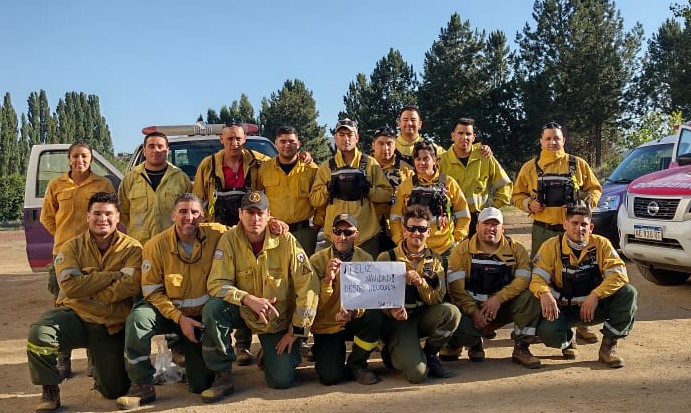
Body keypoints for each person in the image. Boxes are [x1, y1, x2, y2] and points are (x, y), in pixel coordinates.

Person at [28, 192, 142, 411]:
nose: (103, 219)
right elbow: (69, 287)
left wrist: (88, 284)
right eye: (97, 213)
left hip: (110, 323)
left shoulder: (133, 248)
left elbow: (130, 286)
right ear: (87, 217)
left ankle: (101, 369)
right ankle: (50, 389)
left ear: (118, 217)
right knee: (40, 333)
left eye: (108, 214)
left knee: (113, 391)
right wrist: (112, 275)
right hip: (75, 317)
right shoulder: (70, 247)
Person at [202, 191, 319, 398]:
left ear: (269, 215)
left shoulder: (286, 241)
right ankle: (222, 373)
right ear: (240, 213)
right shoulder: (229, 240)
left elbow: (307, 285)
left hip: (275, 319)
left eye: (260, 213)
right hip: (243, 310)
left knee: (280, 381)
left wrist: (297, 331)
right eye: (249, 212)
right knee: (214, 309)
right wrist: (246, 299)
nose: (255, 219)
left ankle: (274, 351)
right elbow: (216, 283)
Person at [115, 194, 227, 409]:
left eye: (195, 212)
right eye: (183, 211)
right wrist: (179, 318)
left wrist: (273, 222)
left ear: (202, 215)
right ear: (173, 215)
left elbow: (249, 226)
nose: (189, 217)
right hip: (168, 313)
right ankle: (141, 384)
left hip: (200, 318)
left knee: (199, 384)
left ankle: (212, 367)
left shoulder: (217, 234)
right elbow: (152, 291)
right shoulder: (155, 245)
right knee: (139, 318)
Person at [512, 121, 602, 343]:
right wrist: (529, 205)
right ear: (541, 141)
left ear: (564, 140)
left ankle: (581, 323)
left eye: (557, 138)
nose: (553, 142)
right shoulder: (530, 167)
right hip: (543, 230)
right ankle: (541, 321)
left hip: (572, 232)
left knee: (578, 275)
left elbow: (595, 189)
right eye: (548, 138)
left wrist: (583, 204)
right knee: (542, 276)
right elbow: (516, 195)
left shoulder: (577, 164)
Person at [192, 120, 270, 365]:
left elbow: (281, 170)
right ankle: (223, 343)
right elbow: (198, 200)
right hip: (217, 232)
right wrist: (202, 230)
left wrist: (305, 157)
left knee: (250, 279)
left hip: (250, 228)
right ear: (221, 140)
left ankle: (244, 346)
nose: (234, 143)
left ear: (245, 140)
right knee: (225, 281)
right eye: (229, 139)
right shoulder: (208, 165)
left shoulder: (259, 162)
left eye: (238, 139)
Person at [39, 141, 115, 379]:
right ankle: (64, 359)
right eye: (75, 156)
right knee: (64, 305)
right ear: (69, 159)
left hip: (94, 252)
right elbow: (47, 217)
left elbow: (108, 215)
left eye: (84, 156)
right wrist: (64, 239)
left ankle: (94, 358)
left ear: (91, 158)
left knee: (95, 303)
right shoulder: (56, 184)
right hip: (64, 253)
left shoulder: (102, 184)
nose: (79, 160)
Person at [530, 204, 637, 368]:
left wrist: (595, 295)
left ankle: (608, 348)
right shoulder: (550, 246)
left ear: (591, 227)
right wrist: (544, 293)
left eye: (584, 224)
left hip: (594, 307)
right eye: (574, 223)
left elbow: (619, 275)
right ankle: (567, 339)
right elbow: (537, 278)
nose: (579, 228)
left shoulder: (602, 244)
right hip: (563, 308)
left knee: (628, 292)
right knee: (548, 332)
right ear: (565, 225)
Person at [441, 207, 541, 368]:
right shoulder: (461, 250)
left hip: (502, 307)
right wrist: (473, 311)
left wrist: (498, 299)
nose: (491, 228)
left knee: (531, 296)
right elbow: (456, 289)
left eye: (495, 224)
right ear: (477, 226)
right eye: (486, 223)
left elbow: (523, 279)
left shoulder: (517, 249)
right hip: (472, 310)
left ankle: (522, 347)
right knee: (455, 319)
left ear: (503, 228)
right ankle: (467, 343)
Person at [377, 205, 461, 383]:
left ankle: (430, 354)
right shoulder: (386, 258)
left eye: (422, 229)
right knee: (417, 375)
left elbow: (437, 298)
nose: (417, 233)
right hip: (398, 322)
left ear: (429, 232)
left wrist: (421, 283)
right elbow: (377, 299)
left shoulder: (436, 259)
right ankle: (391, 351)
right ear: (404, 231)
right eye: (411, 228)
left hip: (423, 315)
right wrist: (391, 311)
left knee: (451, 312)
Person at [310, 213, 383, 385]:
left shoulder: (365, 259)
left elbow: (369, 297)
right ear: (331, 233)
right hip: (328, 323)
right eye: (337, 231)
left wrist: (354, 311)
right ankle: (323, 352)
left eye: (348, 232)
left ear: (356, 234)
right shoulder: (317, 260)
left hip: (354, 318)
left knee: (375, 317)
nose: (342, 237)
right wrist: (327, 280)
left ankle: (357, 363)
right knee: (330, 378)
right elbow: (314, 304)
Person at [310, 118, 393, 258]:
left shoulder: (370, 164)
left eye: (350, 135)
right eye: (341, 135)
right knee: (333, 277)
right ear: (335, 137)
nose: (345, 139)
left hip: (366, 237)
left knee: (367, 278)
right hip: (335, 237)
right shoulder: (326, 167)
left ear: (357, 137)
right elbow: (314, 200)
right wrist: (328, 189)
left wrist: (369, 190)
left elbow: (387, 194)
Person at [390, 140, 471, 270]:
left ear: (435, 160)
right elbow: (395, 218)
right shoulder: (405, 186)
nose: (422, 163)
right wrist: (401, 241)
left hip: (445, 249)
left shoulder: (449, 183)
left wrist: (457, 239)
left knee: (446, 286)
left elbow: (463, 214)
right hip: (414, 250)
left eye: (426, 159)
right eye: (418, 159)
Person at [439, 118, 512, 238]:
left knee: (481, 255)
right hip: (453, 220)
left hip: (480, 219)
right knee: (456, 255)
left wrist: (491, 209)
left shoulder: (485, 157)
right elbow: (438, 189)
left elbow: (505, 184)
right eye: (460, 133)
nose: (464, 137)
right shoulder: (442, 161)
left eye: (468, 134)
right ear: (453, 135)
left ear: (474, 137)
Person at [118, 131, 192, 246]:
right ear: (144, 150)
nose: (156, 150)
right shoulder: (130, 178)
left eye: (160, 146)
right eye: (151, 146)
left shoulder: (181, 179)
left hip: (173, 245)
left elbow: (191, 212)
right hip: (139, 246)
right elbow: (123, 211)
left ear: (167, 150)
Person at [256, 126, 319, 255]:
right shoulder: (264, 169)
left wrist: (317, 225)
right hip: (274, 230)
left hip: (304, 233)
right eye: (283, 141)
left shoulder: (311, 169)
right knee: (275, 272)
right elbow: (258, 200)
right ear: (276, 144)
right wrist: (268, 221)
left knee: (304, 272)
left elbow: (321, 199)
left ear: (299, 144)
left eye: (291, 141)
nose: (287, 145)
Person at [370, 125, 415, 252]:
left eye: (389, 143)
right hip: (370, 229)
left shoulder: (406, 167)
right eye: (381, 143)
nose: (385, 148)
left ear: (395, 145)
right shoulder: (364, 165)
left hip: (398, 229)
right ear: (373, 145)